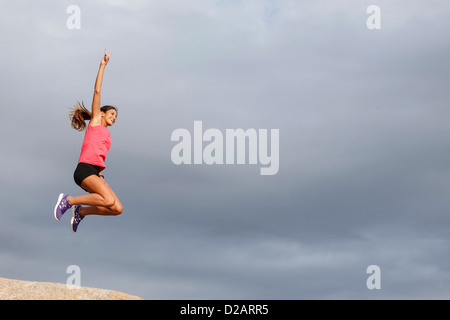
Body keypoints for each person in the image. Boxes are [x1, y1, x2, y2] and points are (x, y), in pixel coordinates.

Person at [54, 49, 123, 232]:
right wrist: (103, 65)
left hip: (94, 172)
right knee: (108, 200)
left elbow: (98, 155)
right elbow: (97, 90)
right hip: (83, 170)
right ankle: (68, 201)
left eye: (116, 116)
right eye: (112, 114)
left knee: (117, 208)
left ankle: (81, 211)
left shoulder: (106, 134)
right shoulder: (95, 123)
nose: (114, 118)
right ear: (101, 113)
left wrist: (100, 176)